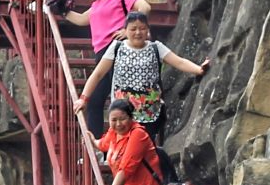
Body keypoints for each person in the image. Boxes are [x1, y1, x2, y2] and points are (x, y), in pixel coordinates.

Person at [74, 12, 210, 146]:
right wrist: (83, 98)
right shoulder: (116, 48)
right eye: (133, 29)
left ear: (148, 30)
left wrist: (199, 69)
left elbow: (179, 62)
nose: (138, 32)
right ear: (125, 30)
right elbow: (98, 74)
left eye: (142, 28)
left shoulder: (156, 48)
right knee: (125, 148)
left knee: (142, 149)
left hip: (150, 112)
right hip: (123, 113)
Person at [62, 0, 143, 136]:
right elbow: (82, 19)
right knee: (94, 100)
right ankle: (96, 144)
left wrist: (128, 31)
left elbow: (144, 7)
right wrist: (60, 10)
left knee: (122, 98)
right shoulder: (97, 3)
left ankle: (129, 141)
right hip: (101, 55)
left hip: (118, 50)